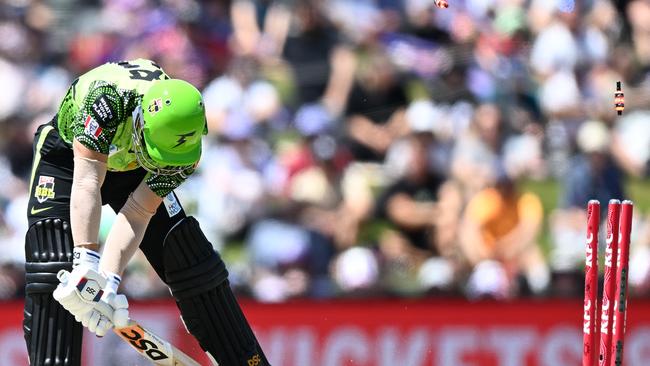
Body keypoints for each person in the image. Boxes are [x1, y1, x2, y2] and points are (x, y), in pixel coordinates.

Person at [24, 58, 269, 366]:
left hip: (133, 164)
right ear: (141, 120)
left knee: (192, 260)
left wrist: (108, 283)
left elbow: (138, 211)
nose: (162, 165)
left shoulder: (184, 151)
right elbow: (87, 181)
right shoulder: (107, 99)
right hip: (68, 159)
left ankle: (246, 361)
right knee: (54, 271)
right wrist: (86, 263)